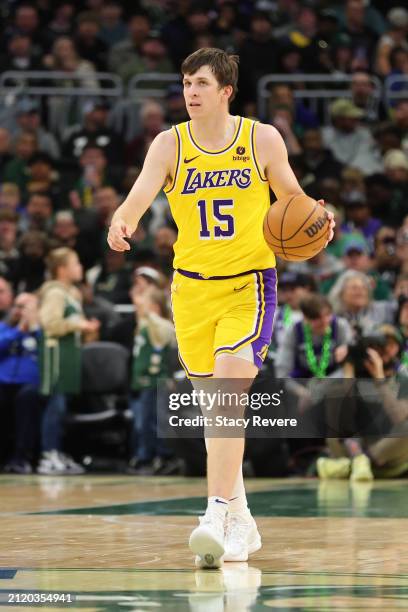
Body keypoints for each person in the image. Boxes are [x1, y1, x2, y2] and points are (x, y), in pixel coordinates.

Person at [107, 48, 335, 569]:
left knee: (229, 393)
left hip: (248, 286)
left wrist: (318, 219)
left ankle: (213, 512)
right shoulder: (170, 144)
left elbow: (293, 200)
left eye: (202, 83)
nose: (191, 92)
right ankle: (242, 519)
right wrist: (122, 222)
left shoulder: (261, 139)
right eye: (186, 82)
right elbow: (138, 195)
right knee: (216, 414)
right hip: (190, 290)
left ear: (226, 90)